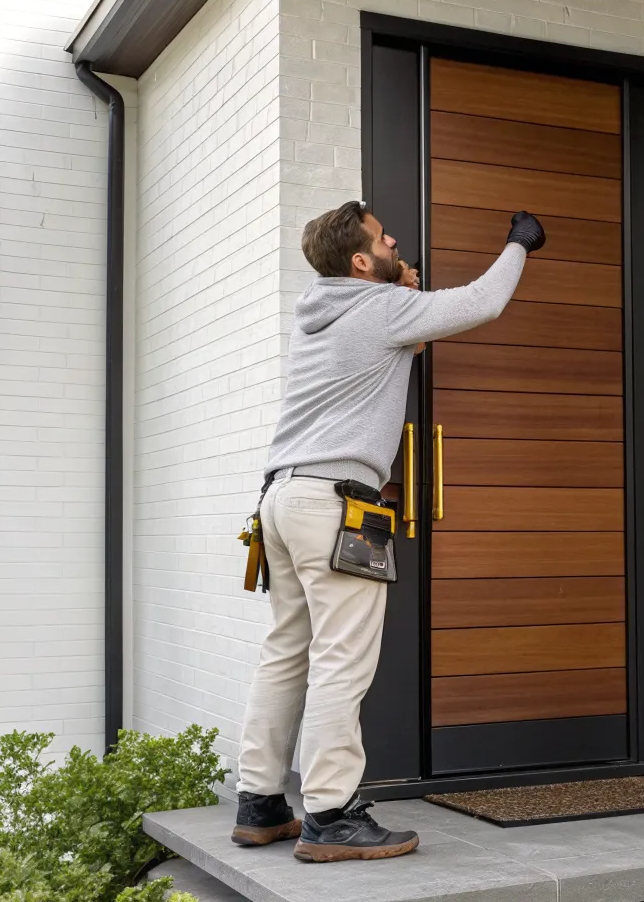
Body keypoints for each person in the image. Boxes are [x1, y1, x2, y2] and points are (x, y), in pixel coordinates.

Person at [229, 200, 545, 862]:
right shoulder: (381, 312)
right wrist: (519, 244)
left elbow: (407, 336)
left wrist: (403, 286)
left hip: (282, 498)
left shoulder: (319, 313)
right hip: (336, 504)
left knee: (286, 651)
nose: (395, 236)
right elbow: (482, 303)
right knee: (342, 661)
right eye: (383, 236)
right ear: (361, 260)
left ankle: (260, 803)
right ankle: (331, 816)